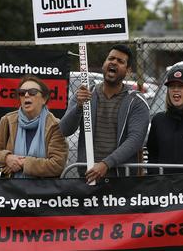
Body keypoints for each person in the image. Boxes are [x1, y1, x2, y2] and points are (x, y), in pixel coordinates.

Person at [60, 44, 150, 183]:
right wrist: (78, 107)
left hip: (121, 181)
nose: (114, 62)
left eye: (120, 61)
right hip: (88, 177)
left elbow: (135, 140)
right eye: (111, 58)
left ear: (128, 70)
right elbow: (64, 130)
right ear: (104, 64)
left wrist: (106, 164)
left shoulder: (136, 101)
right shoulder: (84, 94)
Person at [0, 75, 68, 178]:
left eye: (32, 92)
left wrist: (22, 163)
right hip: (11, 188)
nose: (26, 95)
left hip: (44, 189)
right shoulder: (7, 120)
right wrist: (7, 158)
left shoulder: (55, 125)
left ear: (44, 99)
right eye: (22, 93)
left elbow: (57, 165)